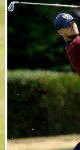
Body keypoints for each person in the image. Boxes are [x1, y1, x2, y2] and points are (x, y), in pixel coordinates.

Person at [54, 13, 80, 150]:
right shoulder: (76, 44)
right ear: (60, 32)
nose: (72, 26)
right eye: (67, 26)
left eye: (72, 23)